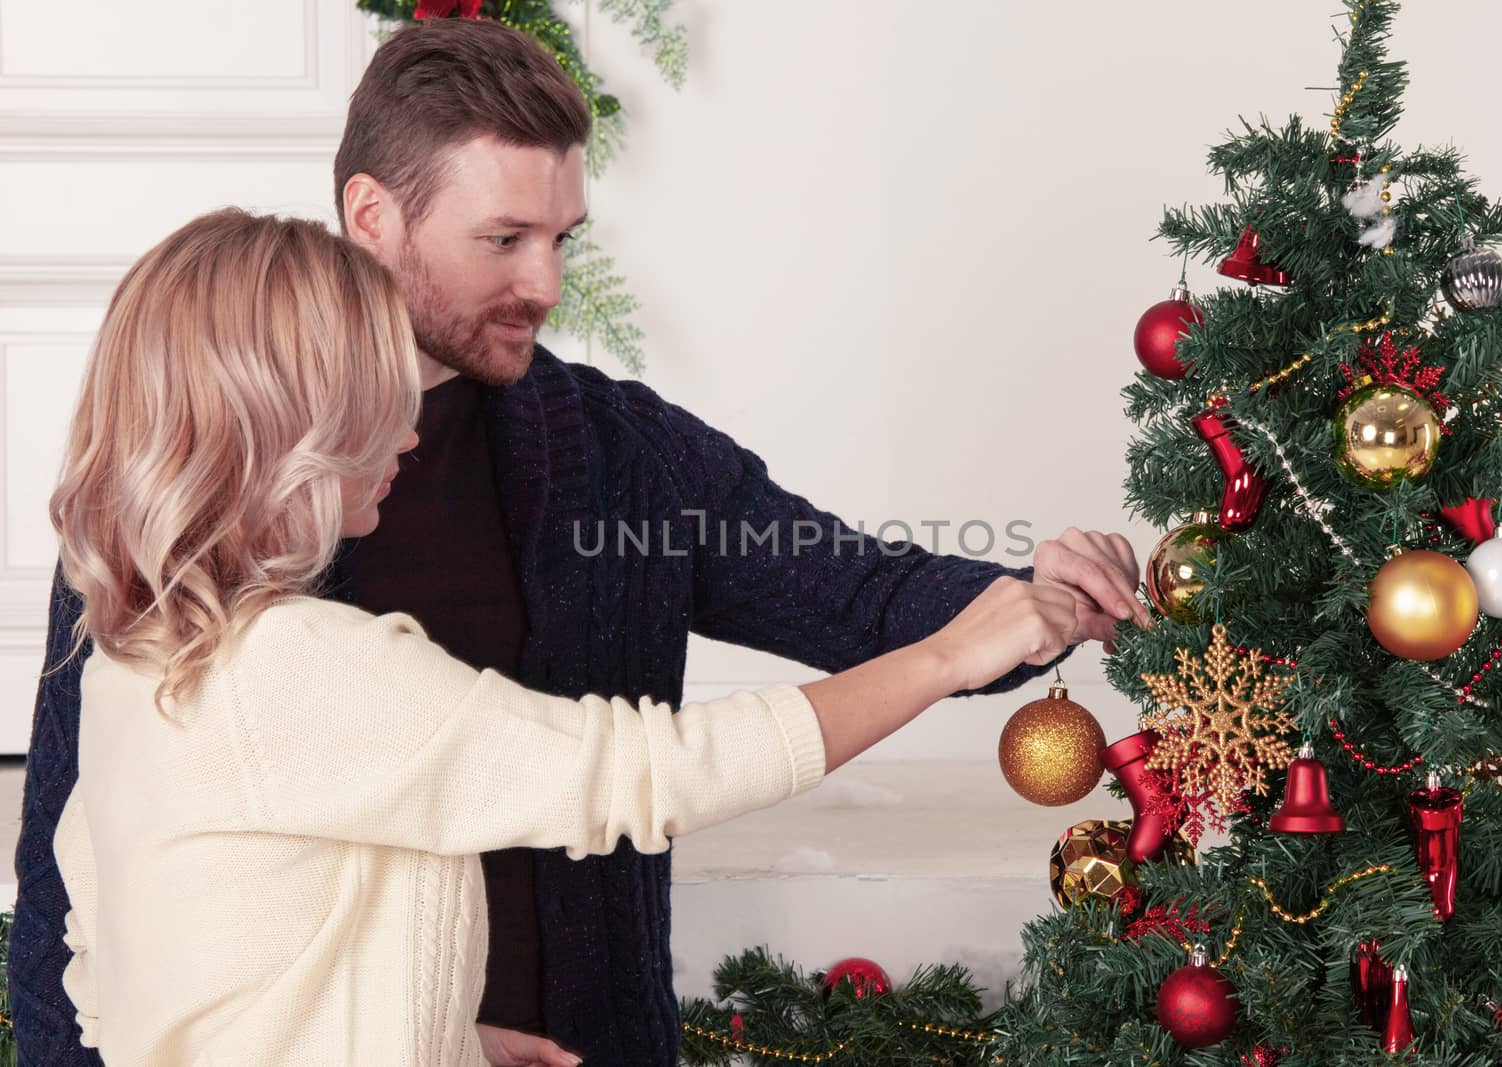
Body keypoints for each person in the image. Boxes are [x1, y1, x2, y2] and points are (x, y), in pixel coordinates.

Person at [10, 18, 1148, 1067]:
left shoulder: (615, 456)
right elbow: (81, 879)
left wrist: (1032, 595)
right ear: (373, 217)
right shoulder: (181, 501)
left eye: (562, 236)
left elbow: (853, 591)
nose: (544, 283)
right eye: (502, 237)